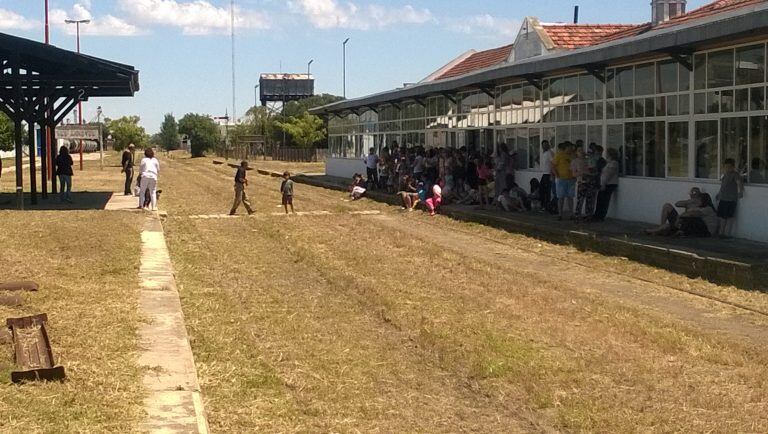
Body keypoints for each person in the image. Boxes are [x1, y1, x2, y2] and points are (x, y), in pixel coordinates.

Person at [716, 158, 744, 237]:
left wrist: (740, 192)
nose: (727, 168)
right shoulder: (724, 175)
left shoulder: (735, 174)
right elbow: (723, 186)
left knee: (729, 217)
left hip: (731, 199)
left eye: (729, 167)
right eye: (726, 167)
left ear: (733, 167)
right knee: (722, 217)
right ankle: (721, 233)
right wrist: (719, 194)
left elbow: (739, 183)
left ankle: (726, 233)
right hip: (723, 198)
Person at [592, 148, 620, 221]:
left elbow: (608, 175)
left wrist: (603, 184)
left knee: (604, 201)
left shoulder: (613, 163)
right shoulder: (609, 162)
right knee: (600, 200)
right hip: (605, 183)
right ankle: (597, 215)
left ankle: (600, 216)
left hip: (608, 184)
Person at [553, 142, 575, 220]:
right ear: (566, 148)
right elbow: (553, 166)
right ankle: (560, 214)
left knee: (570, 197)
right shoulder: (559, 155)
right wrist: (557, 175)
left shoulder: (573, 156)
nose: (571, 149)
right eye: (569, 148)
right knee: (561, 197)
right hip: (561, 179)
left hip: (571, 179)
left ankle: (571, 214)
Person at [540, 140, 554, 213]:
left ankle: (546, 206)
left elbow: (552, 163)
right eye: (543, 145)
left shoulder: (549, 153)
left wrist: (552, 174)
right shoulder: (544, 153)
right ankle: (544, 206)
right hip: (544, 173)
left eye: (546, 145)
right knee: (542, 190)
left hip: (548, 174)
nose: (545, 146)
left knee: (547, 191)